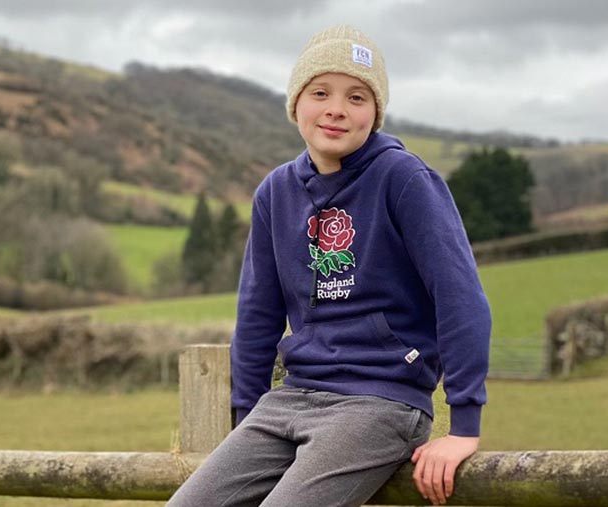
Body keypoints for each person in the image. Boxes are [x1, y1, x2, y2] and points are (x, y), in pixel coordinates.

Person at [167, 24, 491, 507]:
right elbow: (258, 313)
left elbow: (460, 295)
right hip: (290, 398)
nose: (337, 108)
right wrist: (245, 420)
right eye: (321, 92)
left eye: (357, 97)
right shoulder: (275, 193)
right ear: (296, 102)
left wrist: (464, 426)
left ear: (376, 114)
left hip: (380, 400)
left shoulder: (403, 179)